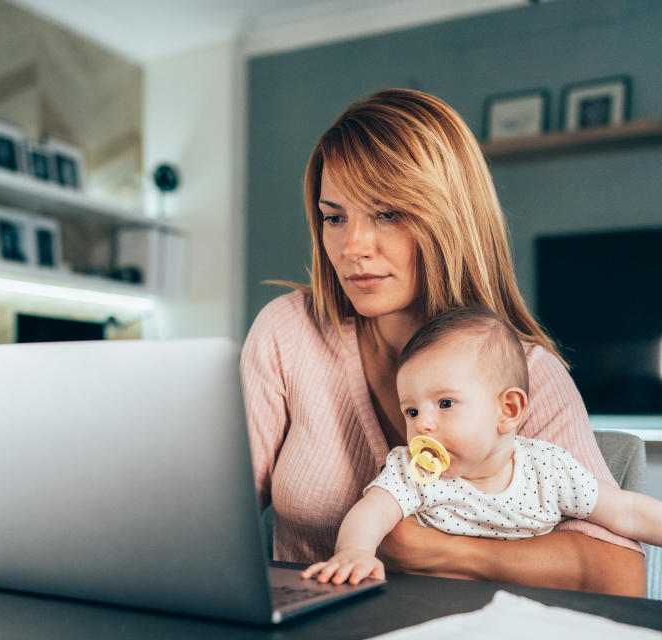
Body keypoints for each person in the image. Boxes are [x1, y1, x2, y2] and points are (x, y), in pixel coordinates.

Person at [239, 88, 646, 595]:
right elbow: (217, 513)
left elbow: (620, 576)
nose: (352, 247)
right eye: (334, 216)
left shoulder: (527, 371)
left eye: (387, 213)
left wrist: (433, 551)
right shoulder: (288, 330)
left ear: (449, 217)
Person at [300, 305, 662, 586]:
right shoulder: (417, 471)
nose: (422, 423)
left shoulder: (548, 469)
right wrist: (354, 552)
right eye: (411, 410)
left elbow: (627, 512)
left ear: (507, 410)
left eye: (445, 404)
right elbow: (372, 511)